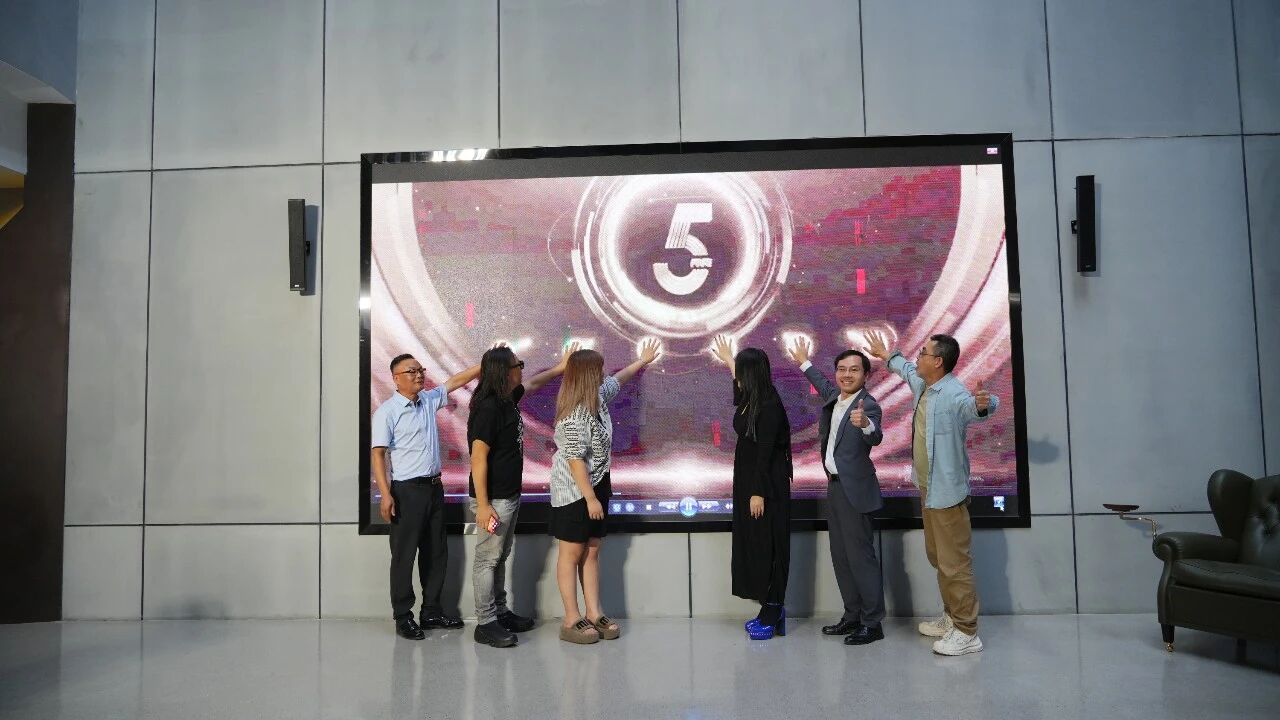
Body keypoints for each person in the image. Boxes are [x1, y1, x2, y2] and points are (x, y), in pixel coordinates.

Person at [864, 330, 999, 656]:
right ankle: (951, 617)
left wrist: (985, 404)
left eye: (923, 352)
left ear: (938, 361)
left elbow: (975, 407)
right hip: (928, 490)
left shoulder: (953, 393)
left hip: (948, 494)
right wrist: (887, 355)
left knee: (955, 564)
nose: (918, 357)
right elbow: (906, 370)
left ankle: (967, 632)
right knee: (939, 558)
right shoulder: (925, 385)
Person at [549, 340, 661, 644]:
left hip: (597, 483)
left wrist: (642, 361)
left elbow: (617, 381)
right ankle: (571, 619)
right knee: (571, 552)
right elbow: (575, 461)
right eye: (599, 369)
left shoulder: (597, 398)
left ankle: (594, 612)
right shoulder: (573, 416)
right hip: (574, 491)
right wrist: (590, 499)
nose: (604, 373)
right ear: (588, 375)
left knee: (592, 549)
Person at [468, 343, 579, 648]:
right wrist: (484, 505)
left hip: (508, 495)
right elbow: (478, 458)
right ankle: (485, 623)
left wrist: (561, 367)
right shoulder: (488, 407)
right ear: (504, 371)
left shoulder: (506, 399)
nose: (522, 370)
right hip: (494, 500)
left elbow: (532, 384)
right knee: (487, 559)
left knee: (499, 556)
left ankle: (500, 612)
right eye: (518, 365)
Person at [371, 353, 481, 640]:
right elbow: (378, 454)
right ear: (396, 378)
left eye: (420, 369)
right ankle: (403, 616)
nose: (419, 374)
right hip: (406, 492)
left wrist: (483, 365)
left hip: (434, 488)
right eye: (412, 371)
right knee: (404, 555)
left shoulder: (428, 400)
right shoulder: (387, 412)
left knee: (436, 552)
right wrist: (386, 494)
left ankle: (431, 611)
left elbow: (455, 381)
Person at [787, 337, 886, 646]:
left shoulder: (868, 405)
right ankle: (852, 616)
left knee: (861, 559)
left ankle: (872, 623)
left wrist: (865, 423)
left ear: (865, 375)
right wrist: (804, 361)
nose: (847, 374)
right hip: (834, 488)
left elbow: (876, 436)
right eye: (842, 369)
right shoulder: (835, 397)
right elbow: (821, 382)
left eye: (854, 370)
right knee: (841, 558)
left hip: (855, 492)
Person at [712, 335, 793, 640]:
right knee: (755, 545)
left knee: (768, 547)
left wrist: (758, 492)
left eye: (741, 373)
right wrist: (727, 359)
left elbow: (766, 453)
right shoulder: (753, 397)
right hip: (749, 483)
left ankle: (773, 611)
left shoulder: (769, 406)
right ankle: (769, 610)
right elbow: (739, 391)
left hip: (766, 487)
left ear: (751, 375)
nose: (738, 380)